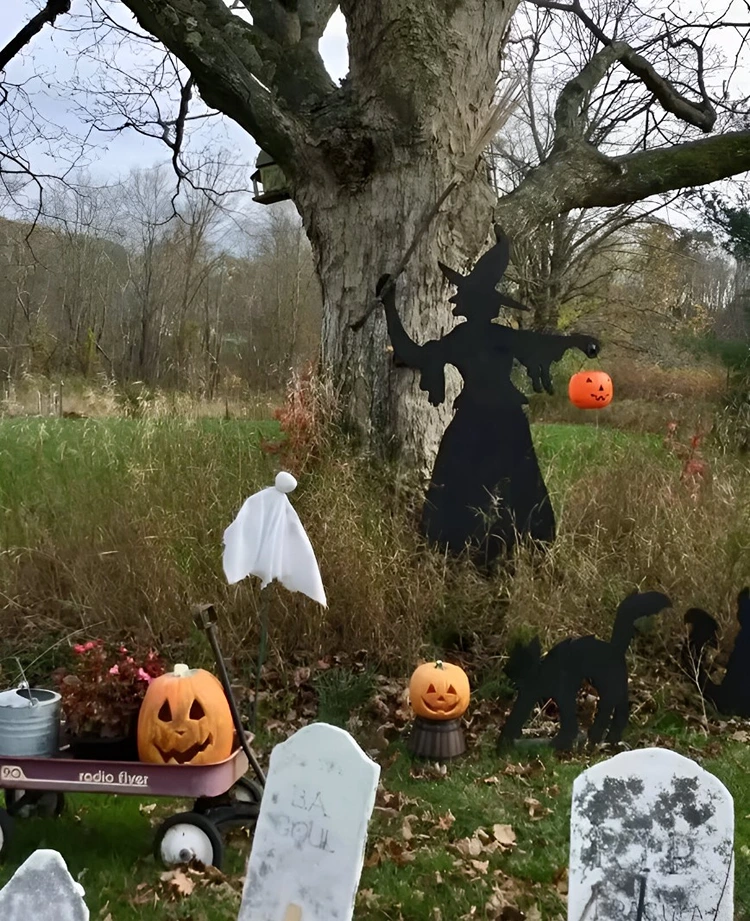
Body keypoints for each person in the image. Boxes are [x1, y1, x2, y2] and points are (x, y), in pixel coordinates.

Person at [377, 227, 600, 565]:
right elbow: (540, 343)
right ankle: (494, 549)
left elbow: (414, 352)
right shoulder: (489, 337)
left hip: (478, 420)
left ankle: (471, 549)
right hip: (500, 419)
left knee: (473, 481)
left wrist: (389, 306)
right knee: (505, 482)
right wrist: (577, 342)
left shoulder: (469, 338)